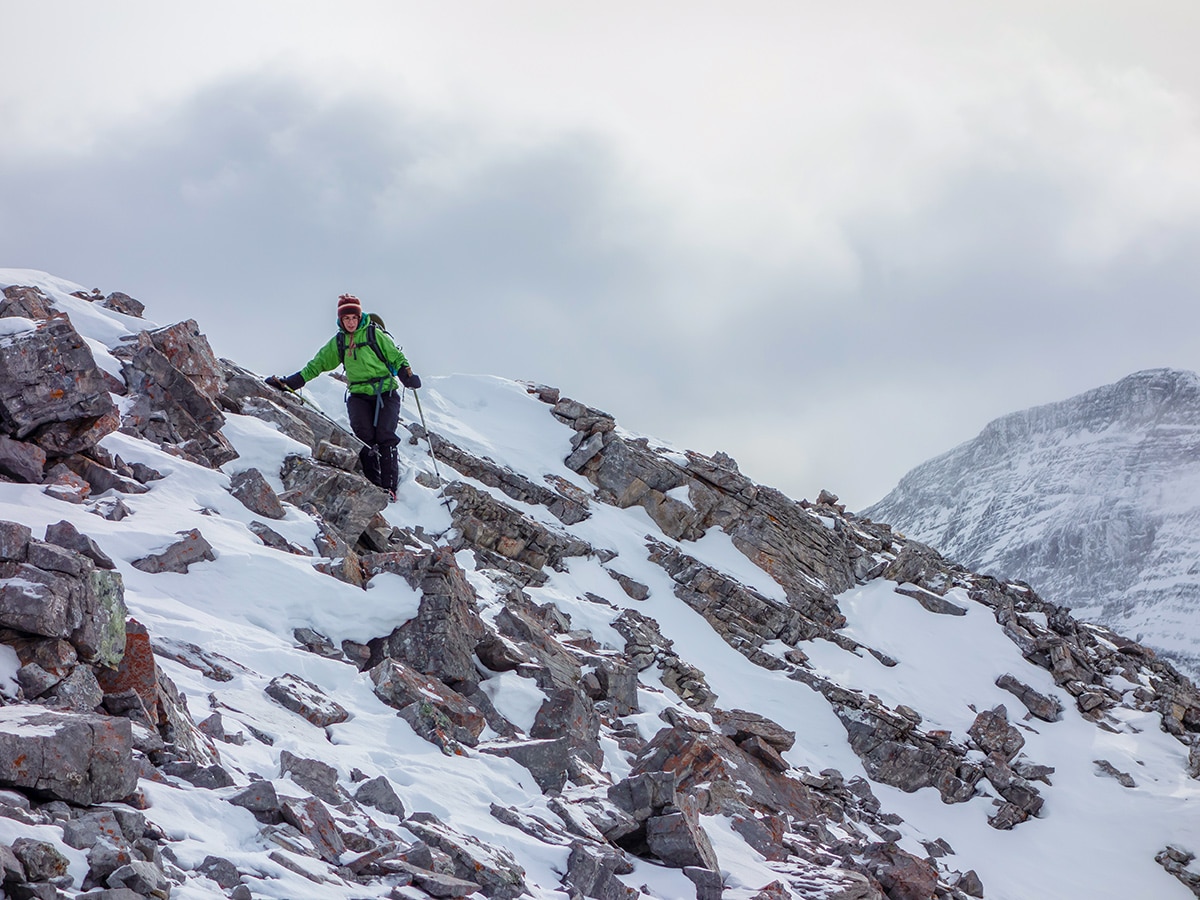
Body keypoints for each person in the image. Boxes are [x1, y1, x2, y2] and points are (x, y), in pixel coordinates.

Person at [267, 293, 421, 499]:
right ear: (340, 320)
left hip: (386, 392)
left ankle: (389, 487)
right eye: (346, 318)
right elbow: (317, 364)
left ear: (359, 317)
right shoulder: (339, 342)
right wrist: (292, 383)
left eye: (353, 318)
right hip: (358, 394)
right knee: (364, 438)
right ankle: (374, 486)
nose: (350, 322)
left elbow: (397, 357)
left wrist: (406, 376)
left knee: (385, 437)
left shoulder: (375, 335)